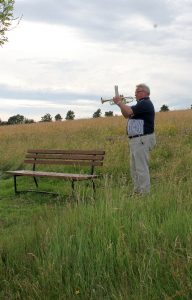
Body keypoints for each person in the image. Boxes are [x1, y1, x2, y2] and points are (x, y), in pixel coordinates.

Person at [113, 83, 156, 195]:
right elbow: (126, 115)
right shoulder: (140, 104)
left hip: (142, 138)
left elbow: (129, 111)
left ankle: (145, 193)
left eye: (137, 92)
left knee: (141, 168)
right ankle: (137, 191)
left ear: (144, 93)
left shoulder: (146, 103)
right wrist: (120, 104)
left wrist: (119, 102)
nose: (135, 94)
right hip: (136, 140)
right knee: (134, 168)